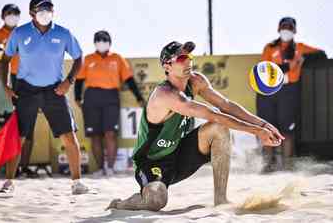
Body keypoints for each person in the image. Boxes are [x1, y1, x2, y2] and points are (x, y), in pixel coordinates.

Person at [107, 41, 284, 211]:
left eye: (189, 56)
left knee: (218, 129)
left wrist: (263, 124)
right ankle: (120, 204)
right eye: (181, 58)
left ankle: (221, 199)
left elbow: (226, 105)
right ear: (167, 66)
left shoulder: (196, 80)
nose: (188, 61)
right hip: (153, 161)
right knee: (156, 200)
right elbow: (214, 114)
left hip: (180, 153)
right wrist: (257, 131)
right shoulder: (165, 94)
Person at [0, 0, 89, 195]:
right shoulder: (20, 33)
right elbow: (5, 60)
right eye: (41, 8)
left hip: (54, 89)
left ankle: (77, 182)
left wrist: (69, 81)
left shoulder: (64, 33)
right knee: (18, 136)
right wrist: (5, 85)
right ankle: (8, 182)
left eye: (49, 8)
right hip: (26, 89)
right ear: (32, 13)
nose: (45, 12)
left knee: (69, 135)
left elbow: (78, 57)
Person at [258, 17, 324, 172]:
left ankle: (287, 166)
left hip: (289, 91)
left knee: (287, 129)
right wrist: (289, 65)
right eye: (283, 26)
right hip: (270, 91)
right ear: (278, 29)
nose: (286, 30)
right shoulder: (270, 48)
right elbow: (266, 69)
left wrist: (303, 59)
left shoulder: (299, 48)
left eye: (289, 27)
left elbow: (321, 54)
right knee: (268, 127)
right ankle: (269, 164)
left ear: (294, 30)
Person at [75, 30, 144, 177]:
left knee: (110, 133)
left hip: (111, 96)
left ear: (109, 43)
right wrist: (77, 97)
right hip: (91, 97)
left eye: (104, 40)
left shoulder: (117, 58)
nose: (101, 43)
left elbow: (129, 80)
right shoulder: (88, 59)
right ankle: (100, 168)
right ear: (95, 43)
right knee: (95, 135)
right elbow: (79, 81)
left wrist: (138, 97)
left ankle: (110, 168)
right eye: (98, 40)